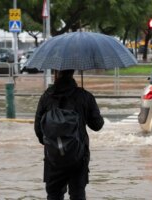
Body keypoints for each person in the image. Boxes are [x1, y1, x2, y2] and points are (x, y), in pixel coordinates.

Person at [34, 69, 104, 200]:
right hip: (78, 156)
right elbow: (97, 125)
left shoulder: (46, 96)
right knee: (77, 194)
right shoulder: (84, 96)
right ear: (73, 72)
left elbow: (38, 130)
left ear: (56, 73)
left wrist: (54, 144)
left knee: (54, 195)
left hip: (53, 157)